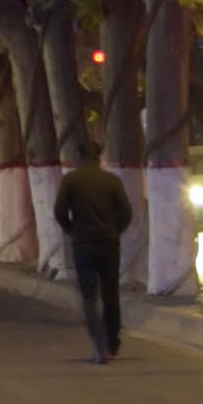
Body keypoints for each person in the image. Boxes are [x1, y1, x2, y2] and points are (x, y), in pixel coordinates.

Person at [52, 135, 133, 359]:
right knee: (110, 294)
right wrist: (115, 230)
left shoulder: (71, 180)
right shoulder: (111, 180)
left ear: (79, 156)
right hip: (108, 244)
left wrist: (72, 230)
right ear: (99, 157)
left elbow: (59, 211)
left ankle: (99, 344)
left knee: (89, 296)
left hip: (83, 244)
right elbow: (126, 213)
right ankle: (112, 342)